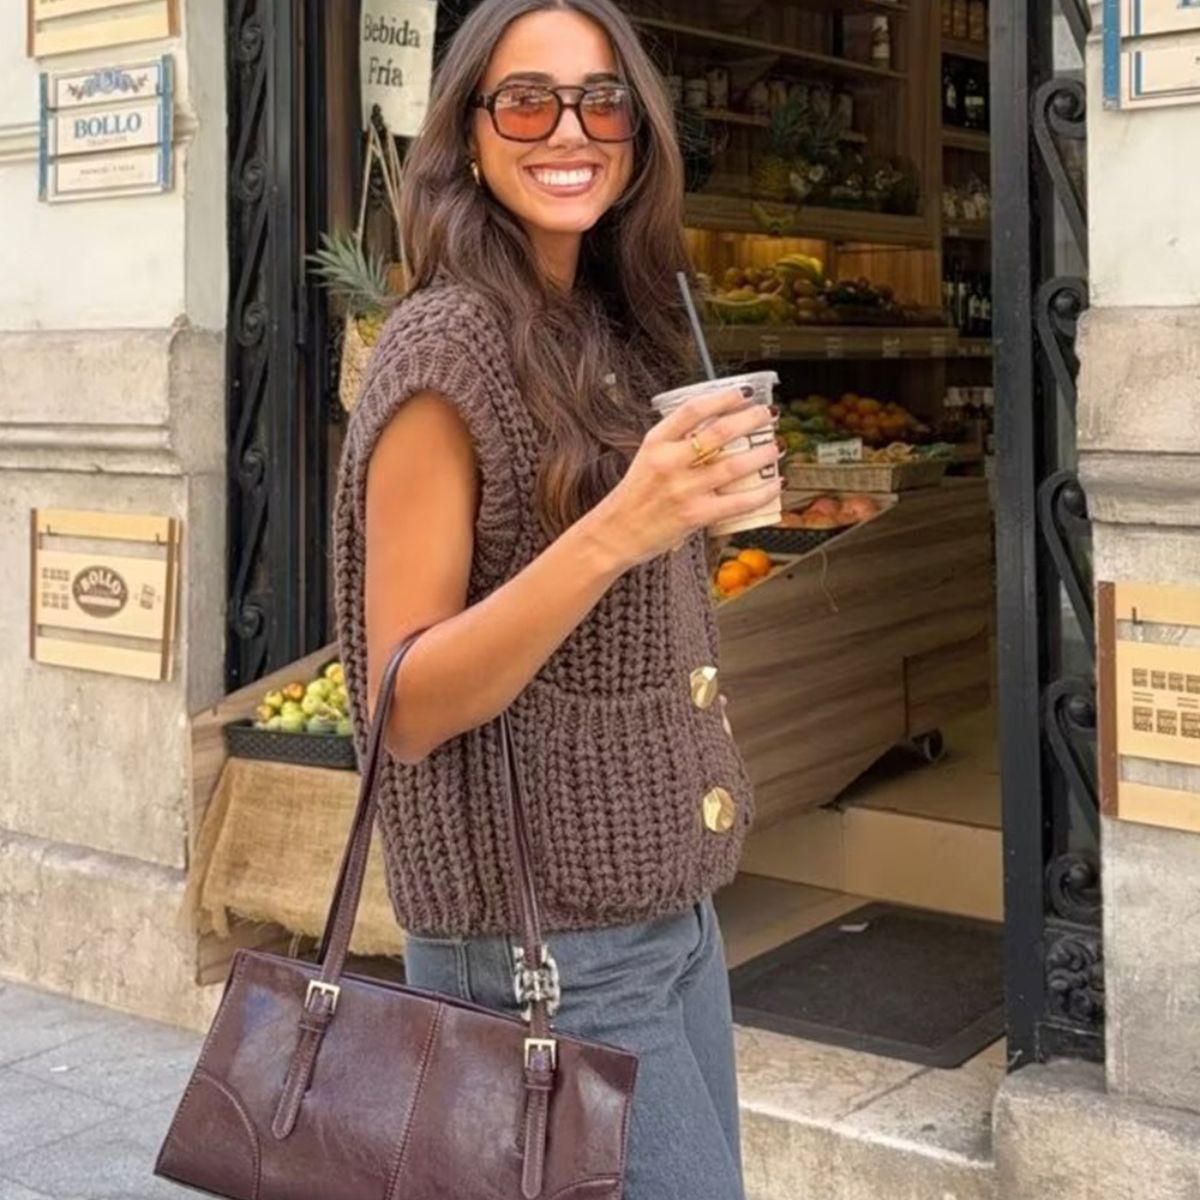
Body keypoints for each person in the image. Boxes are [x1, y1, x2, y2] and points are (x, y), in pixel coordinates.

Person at [332, 1, 782, 1195]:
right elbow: (406, 701)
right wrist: (622, 528)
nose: (567, 128)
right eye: (526, 100)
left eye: (602, 100)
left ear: (638, 132)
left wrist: (690, 523)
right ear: (468, 135)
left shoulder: (605, 330)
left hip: (667, 920)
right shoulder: (443, 353)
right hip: (541, 952)